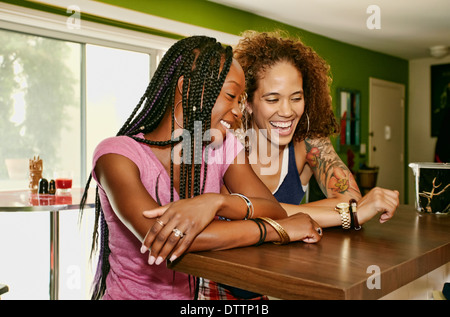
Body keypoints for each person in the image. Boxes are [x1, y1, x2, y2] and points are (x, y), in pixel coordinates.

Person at [80, 35, 323, 300]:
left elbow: (273, 208)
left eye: (241, 100)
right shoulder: (116, 155)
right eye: (231, 96)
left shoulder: (221, 145)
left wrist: (216, 203)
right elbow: (166, 237)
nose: (239, 111)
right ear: (187, 88)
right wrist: (273, 231)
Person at [197, 30, 400, 300]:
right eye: (272, 99)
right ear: (246, 102)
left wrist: (329, 213)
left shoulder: (309, 144)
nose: (287, 111)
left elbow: (350, 197)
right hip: (217, 285)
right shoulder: (223, 143)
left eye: (296, 97)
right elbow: (242, 212)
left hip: (279, 285)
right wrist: (347, 215)